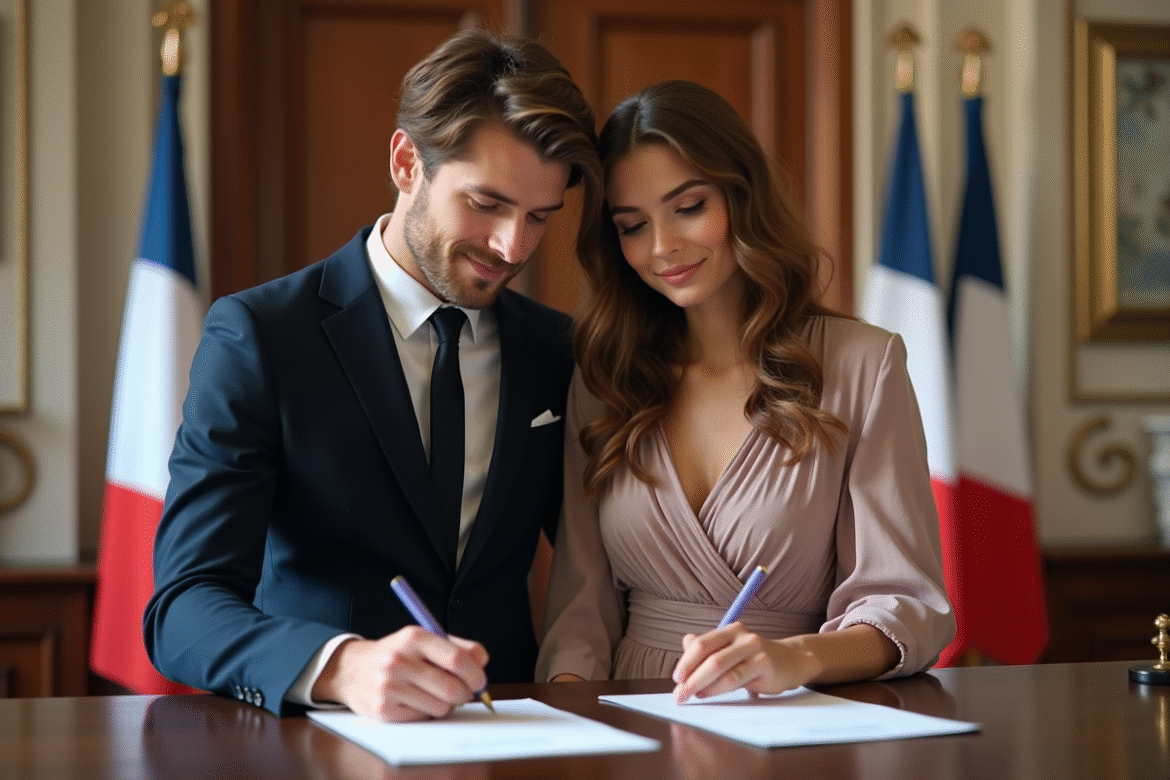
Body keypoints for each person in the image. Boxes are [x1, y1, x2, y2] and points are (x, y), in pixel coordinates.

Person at [144, 28, 601, 721]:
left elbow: (599, 557)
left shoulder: (555, 350)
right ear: (405, 161)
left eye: (539, 217)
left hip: (514, 732)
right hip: (323, 744)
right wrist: (341, 665)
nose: (514, 246)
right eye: (486, 203)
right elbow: (183, 608)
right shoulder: (260, 337)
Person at [535, 80, 954, 702]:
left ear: (742, 194)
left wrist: (792, 657)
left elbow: (908, 606)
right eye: (632, 226)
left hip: (794, 712)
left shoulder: (862, 365)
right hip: (635, 718)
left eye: (689, 207)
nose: (663, 248)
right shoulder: (605, 378)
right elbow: (580, 608)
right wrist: (567, 726)